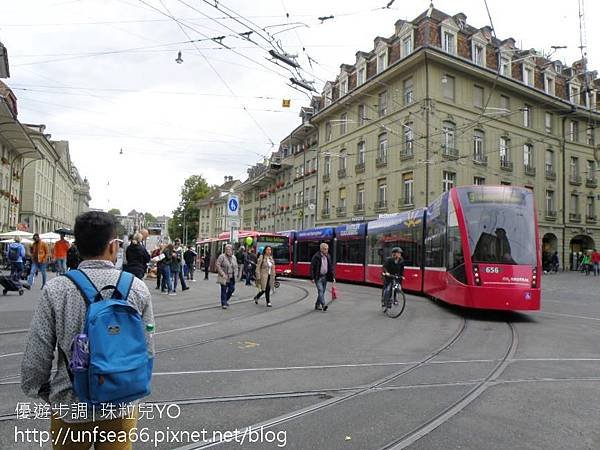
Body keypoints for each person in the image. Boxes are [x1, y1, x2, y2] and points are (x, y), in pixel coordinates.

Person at [21, 211, 154, 450]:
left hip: (70, 404)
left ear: (77, 246)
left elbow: (37, 353)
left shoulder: (56, 289)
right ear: (113, 247)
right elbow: (148, 349)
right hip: (119, 405)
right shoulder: (137, 288)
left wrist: (44, 392)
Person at [310, 242, 335, 312]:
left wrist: (333, 277)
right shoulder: (316, 257)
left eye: (327, 249)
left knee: (322, 292)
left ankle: (317, 305)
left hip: (325, 277)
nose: (326, 250)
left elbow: (330, 268)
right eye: (325, 249)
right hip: (318, 277)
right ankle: (323, 305)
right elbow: (312, 268)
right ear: (321, 249)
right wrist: (312, 278)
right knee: (320, 291)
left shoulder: (328, 256)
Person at [216, 244, 237, 309]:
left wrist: (236, 274)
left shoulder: (234, 257)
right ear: (225, 250)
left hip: (232, 276)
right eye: (227, 249)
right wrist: (222, 273)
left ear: (232, 250)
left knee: (232, 289)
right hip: (224, 276)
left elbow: (236, 266)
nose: (228, 251)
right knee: (224, 289)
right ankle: (224, 303)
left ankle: (225, 300)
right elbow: (218, 265)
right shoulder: (222, 256)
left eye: (230, 249)